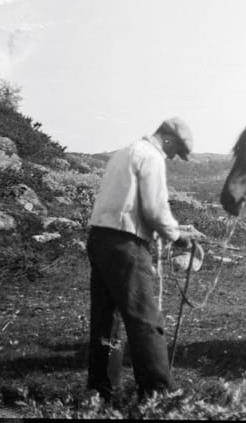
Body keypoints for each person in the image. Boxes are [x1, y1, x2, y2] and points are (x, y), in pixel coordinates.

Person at [86, 117, 202, 399]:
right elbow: (154, 209)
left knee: (105, 318)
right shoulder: (152, 157)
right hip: (127, 244)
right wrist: (179, 236)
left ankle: (102, 387)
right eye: (176, 150)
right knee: (145, 320)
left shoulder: (124, 152)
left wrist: (173, 228)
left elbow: (131, 204)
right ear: (169, 138)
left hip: (100, 238)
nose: (174, 157)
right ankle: (158, 392)